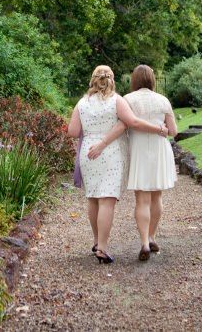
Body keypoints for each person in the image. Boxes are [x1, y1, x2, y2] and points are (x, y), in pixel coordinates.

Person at [67, 65, 160, 264]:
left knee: (93, 198)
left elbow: (73, 131)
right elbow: (132, 122)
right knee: (106, 200)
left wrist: (92, 130)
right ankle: (102, 248)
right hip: (109, 153)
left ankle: (96, 241)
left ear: (93, 80)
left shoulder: (81, 103)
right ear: (111, 80)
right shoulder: (116, 101)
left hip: (88, 152)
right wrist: (159, 128)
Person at [124, 64, 177, 259]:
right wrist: (160, 127)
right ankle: (152, 236)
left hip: (138, 148)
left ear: (134, 80)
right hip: (159, 147)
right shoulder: (163, 100)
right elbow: (173, 131)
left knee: (142, 199)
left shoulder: (127, 100)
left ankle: (145, 242)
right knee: (157, 196)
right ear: (152, 80)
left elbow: (123, 125)